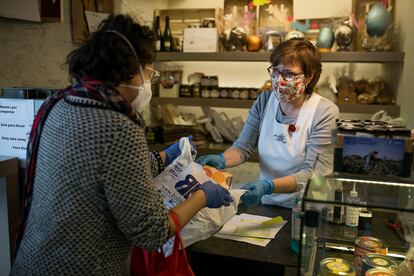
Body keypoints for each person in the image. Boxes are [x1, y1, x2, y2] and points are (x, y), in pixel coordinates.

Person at [11, 15, 232, 275]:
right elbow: (152, 232)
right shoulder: (118, 125)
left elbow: (107, 169)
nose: (149, 81)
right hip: (82, 268)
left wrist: (166, 156)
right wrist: (202, 196)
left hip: (32, 261)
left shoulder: (59, 103)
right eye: (150, 72)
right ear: (132, 70)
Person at [198, 38, 339, 208]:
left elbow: (312, 173)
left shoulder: (324, 112)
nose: (279, 80)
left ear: (309, 76)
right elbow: (243, 148)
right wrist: (222, 159)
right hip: (269, 203)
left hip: (307, 209)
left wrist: (268, 186)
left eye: (288, 74)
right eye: (276, 71)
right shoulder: (264, 101)